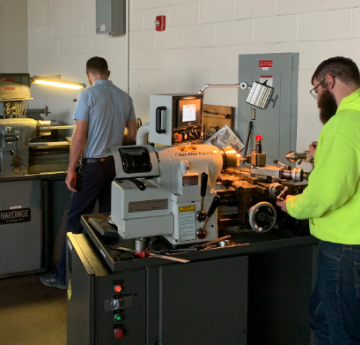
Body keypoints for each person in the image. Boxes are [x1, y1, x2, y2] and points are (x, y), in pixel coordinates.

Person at [277, 56, 360, 345]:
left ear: (330, 81)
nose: (316, 101)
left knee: (342, 334)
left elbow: (328, 193)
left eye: (316, 91)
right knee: (323, 317)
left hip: (346, 250)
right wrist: (320, 156)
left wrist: (292, 205)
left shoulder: (341, 125)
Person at [40, 56, 137, 289]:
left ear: (87, 74)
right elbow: (132, 135)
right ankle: (106, 273)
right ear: (108, 72)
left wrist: (71, 169)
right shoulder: (125, 97)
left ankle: (63, 276)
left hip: (93, 167)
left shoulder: (87, 95)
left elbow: (80, 136)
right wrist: (111, 141)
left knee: (76, 219)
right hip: (115, 165)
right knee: (108, 219)